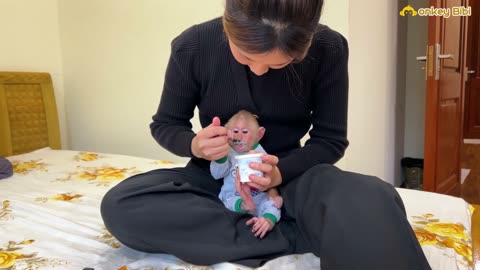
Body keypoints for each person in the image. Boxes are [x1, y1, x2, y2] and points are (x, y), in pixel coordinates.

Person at [101, 0, 432, 269]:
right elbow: (166, 124)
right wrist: (195, 145)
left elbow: (330, 140)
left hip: (293, 173)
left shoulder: (328, 47)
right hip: (217, 177)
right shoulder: (193, 46)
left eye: (278, 65)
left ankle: (271, 227)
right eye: (245, 56)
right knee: (122, 205)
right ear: (229, 23)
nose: (259, 70)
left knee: (371, 195)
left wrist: (278, 173)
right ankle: (300, 231)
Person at [210, 110, 283, 239]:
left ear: (259, 134)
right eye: (235, 132)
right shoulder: (228, 151)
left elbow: (270, 177)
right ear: (227, 132)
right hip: (234, 198)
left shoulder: (260, 153)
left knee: (273, 204)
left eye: (244, 132)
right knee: (225, 201)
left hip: (258, 196)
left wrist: (274, 193)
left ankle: (266, 222)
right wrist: (221, 156)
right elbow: (217, 174)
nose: (239, 137)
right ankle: (244, 206)